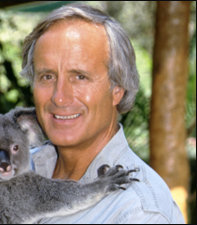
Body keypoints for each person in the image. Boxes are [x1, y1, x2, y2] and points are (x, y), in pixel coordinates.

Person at [20, 3, 185, 224]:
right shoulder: (16, 169)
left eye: (80, 77)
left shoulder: (138, 211)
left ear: (117, 89)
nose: (59, 97)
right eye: (47, 77)